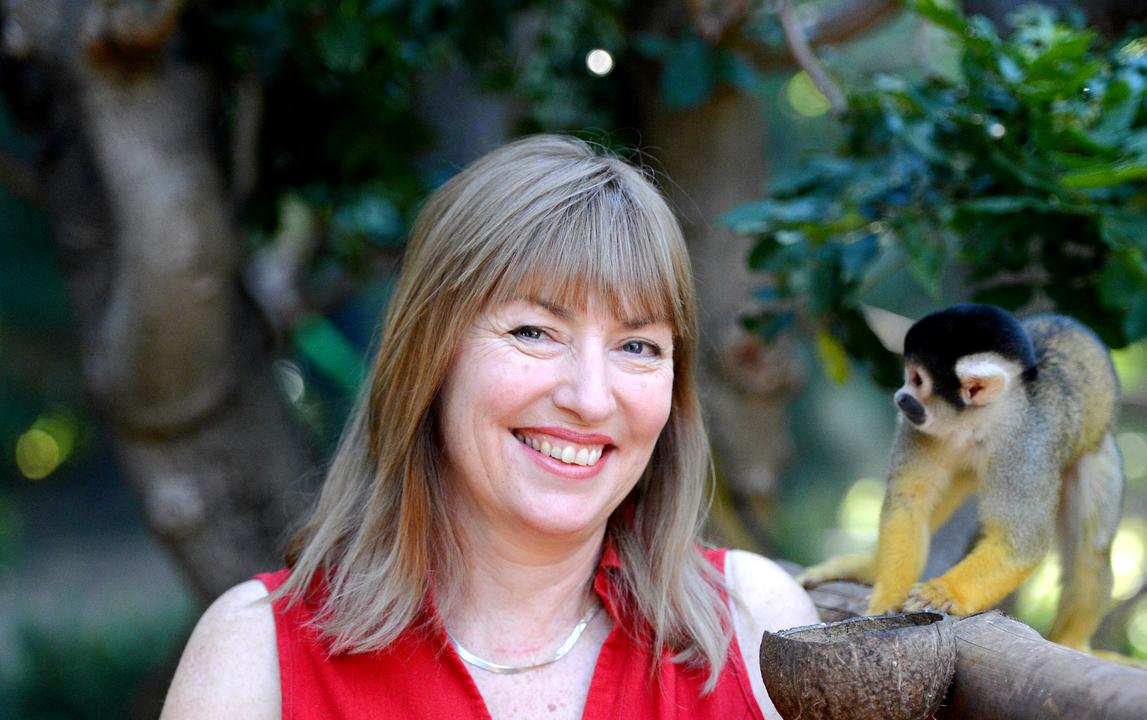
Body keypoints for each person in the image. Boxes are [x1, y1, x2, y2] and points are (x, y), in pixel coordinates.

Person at [159, 134, 818, 720]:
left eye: (638, 346)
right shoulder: (258, 659)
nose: (590, 398)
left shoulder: (756, 623)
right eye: (535, 332)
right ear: (428, 357)